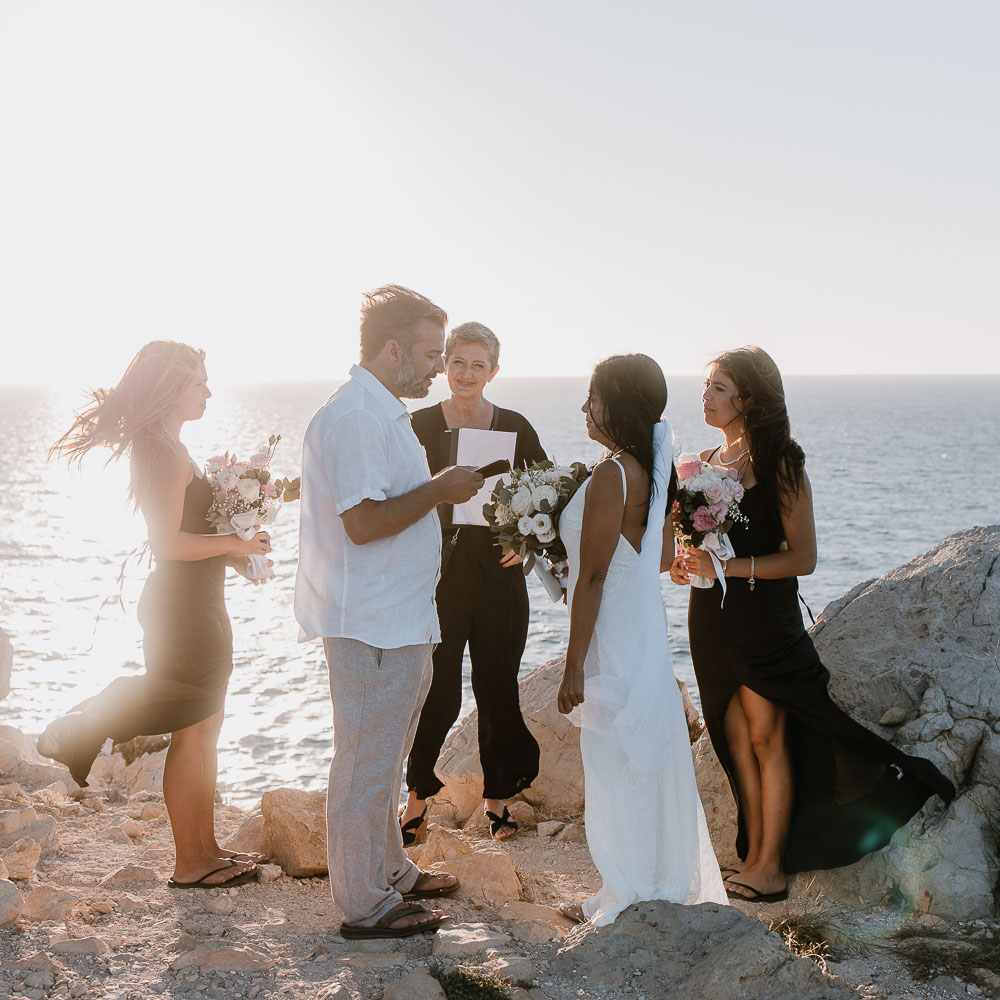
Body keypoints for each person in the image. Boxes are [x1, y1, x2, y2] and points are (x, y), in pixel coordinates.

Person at [671, 346, 954, 903]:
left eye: (719, 387)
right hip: (711, 617)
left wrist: (730, 566)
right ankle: (752, 855)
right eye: (706, 386)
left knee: (767, 735)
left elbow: (803, 558)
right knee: (732, 737)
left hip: (765, 622)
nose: (705, 396)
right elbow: (700, 544)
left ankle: (772, 868)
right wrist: (691, 565)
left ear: (748, 398)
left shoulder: (781, 461)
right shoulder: (704, 461)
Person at [38, 341, 272, 889]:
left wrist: (234, 545)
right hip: (183, 607)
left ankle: (207, 848)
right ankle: (188, 861)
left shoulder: (168, 445)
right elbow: (167, 543)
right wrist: (236, 546)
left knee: (206, 723)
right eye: (199, 383)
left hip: (196, 600)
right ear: (172, 387)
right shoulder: (165, 453)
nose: (209, 392)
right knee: (192, 728)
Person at [295, 285, 484, 940]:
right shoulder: (353, 417)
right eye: (432, 353)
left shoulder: (382, 411)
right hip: (370, 620)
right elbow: (362, 524)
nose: (438, 367)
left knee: (387, 753)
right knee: (365, 764)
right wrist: (441, 490)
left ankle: (390, 870)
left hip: (401, 616)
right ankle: (363, 905)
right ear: (394, 347)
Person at [556, 354, 727, 926]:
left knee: (612, 756)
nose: (585, 408)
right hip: (643, 628)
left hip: (609, 628)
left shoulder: (612, 474)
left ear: (619, 405)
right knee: (642, 755)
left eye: (594, 397)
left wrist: (573, 663)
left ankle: (627, 887)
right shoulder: (650, 470)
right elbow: (655, 558)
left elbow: (595, 576)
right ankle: (651, 879)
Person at [399, 323, 545, 845]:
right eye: (457, 361)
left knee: (498, 684)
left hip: (500, 573)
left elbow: (546, 495)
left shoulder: (515, 425)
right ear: (444, 365)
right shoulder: (415, 425)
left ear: (493, 372)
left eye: (477, 365)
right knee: (436, 689)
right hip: (435, 574)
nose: (465, 373)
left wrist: (525, 542)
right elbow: (396, 496)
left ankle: (498, 799)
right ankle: (416, 796)